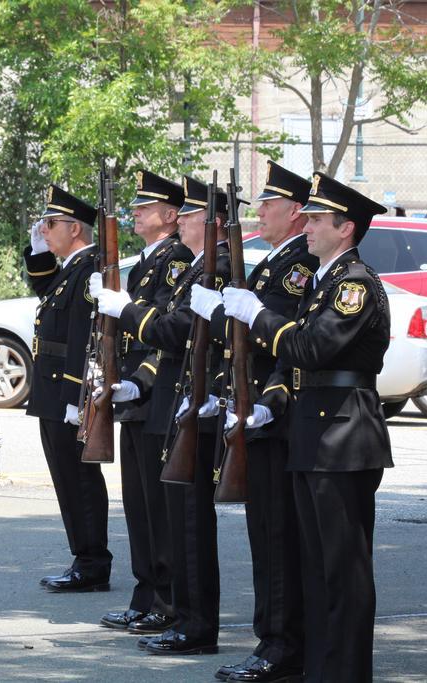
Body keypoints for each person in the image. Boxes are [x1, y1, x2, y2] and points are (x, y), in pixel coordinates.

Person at [221, 172, 394, 682]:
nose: (309, 226)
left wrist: (258, 317)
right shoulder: (324, 283)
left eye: (318, 220)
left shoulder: (354, 285)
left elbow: (312, 348)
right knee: (315, 571)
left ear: (346, 229)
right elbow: (297, 358)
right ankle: (320, 669)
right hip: (313, 433)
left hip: (343, 436)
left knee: (343, 573)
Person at [91, 174, 232, 655]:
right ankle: (160, 601)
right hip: (160, 396)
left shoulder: (193, 264)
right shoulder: (189, 265)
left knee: (178, 519)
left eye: (191, 214)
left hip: (172, 397)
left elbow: (171, 332)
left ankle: (178, 611)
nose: (184, 222)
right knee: (148, 509)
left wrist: (142, 374)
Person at [189, 161, 318, 682]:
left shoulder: (296, 268)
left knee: (276, 536)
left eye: (269, 204)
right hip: (250, 410)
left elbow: (272, 338)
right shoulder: (271, 263)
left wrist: (220, 315)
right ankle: (273, 639)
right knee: (264, 536)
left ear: (295, 213)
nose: (260, 211)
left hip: (275, 414)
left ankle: (282, 647)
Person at [97, 170, 192, 635]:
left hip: (155, 395)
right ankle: (145, 593)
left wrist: (141, 381)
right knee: (136, 503)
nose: (135, 212)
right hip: (133, 396)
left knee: (157, 504)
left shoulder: (176, 262)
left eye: (145, 206)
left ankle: (166, 599)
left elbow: (166, 337)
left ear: (170, 216)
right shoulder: (143, 263)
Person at [25, 184, 112, 593]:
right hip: (52, 390)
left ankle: (92, 562)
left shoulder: (90, 267)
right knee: (65, 475)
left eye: (51, 224)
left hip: (66, 393)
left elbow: (83, 336)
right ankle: (84, 556)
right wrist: (39, 252)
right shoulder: (72, 267)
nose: (45, 229)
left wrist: (77, 398)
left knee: (78, 477)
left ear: (74, 228)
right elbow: (48, 292)